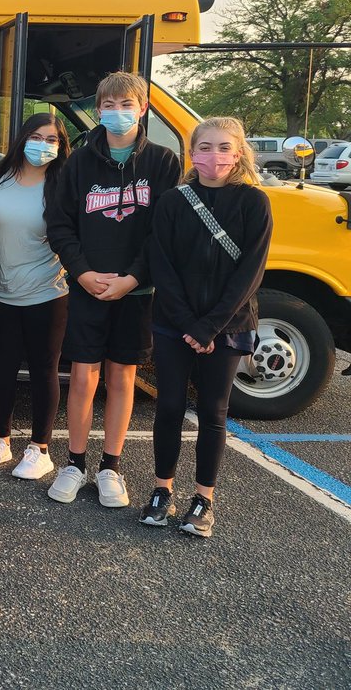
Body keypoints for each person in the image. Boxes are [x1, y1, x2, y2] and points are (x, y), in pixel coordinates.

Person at [46, 72, 181, 508]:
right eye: (109, 104)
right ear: (98, 109)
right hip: (88, 287)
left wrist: (134, 278)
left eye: (127, 104)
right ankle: (75, 463)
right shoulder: (79, 163)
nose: (117, 112)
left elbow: (164, 231)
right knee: (83, 377)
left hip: (136, 292)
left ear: (143, 108)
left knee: (123, 377)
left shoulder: (163, 162)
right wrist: (82, 272)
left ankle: (110, 467)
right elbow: (60, 224)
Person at [143, 117, 271, 537]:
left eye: (222, 148)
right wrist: (187, 324)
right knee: (169, 407)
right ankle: (162, 490)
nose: (212, 157)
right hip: (173, 324)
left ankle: (203, 498)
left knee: (215, 413)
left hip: (228, 325)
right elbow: (162, 265)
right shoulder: (172, 202)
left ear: (238, 154)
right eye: (204, 147)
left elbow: (250, 272)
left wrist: (208, 327)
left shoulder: (255, 204)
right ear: (191, 152)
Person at [0, 114, 71, 481]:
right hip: (0, 295)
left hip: (46, 293)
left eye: (52, 139)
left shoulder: (63, 186)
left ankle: (39, 448)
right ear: (21, 138)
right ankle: (0, 439)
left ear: (61, 147)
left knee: (43, 370)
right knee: (0, 369)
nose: (43, 145)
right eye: (36, 136)